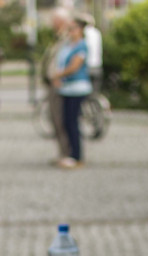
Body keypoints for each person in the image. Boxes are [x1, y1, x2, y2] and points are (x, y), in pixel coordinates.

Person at [53, 20, 92, 169]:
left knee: (72, 122)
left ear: (80, 30)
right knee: (66, 121)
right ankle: (70, 153)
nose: (70, 31)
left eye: (73, 29)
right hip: (66, 88)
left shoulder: (81, 46)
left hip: (78, 88)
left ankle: (76, 155)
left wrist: (58, 75)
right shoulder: (68, 45)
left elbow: (75, 66)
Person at [40, 7, 73, 165]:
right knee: (55, 120)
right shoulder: (59, 38)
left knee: (60, 120)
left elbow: (69, 62)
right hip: (54, 83)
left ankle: (67, 153)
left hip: (60, 84)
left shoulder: (68, 38)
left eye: (54, 21)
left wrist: (60, 77)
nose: (52, 24)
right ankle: (62, 153)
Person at [76, 13, 103, 94]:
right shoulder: (97, 32)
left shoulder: (83, 33)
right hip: (97, 65)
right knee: (95, 91)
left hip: (86, 66)